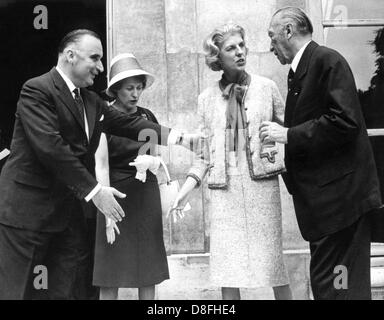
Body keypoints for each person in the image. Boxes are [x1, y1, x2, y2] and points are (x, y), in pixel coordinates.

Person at [0, 29, 192, 300]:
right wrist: (95, 191)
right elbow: (51, 148)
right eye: (95, 58)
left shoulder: (90, 100)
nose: (101, 68)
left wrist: (180, 137)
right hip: (27, 213)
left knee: (66, 291)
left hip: (67, 215)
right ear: (70, 55)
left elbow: (129, 123)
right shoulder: (37, 89)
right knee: (16, 292)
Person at [261, 7, 382, 299]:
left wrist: (288, 134)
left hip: (341, 206)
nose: (270, 45)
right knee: (335, 287)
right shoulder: (305, 68)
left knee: (339, 287)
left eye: (272, 36)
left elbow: (346, 122)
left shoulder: (327, 60)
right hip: (326, 209)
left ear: (288, 31)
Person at [171, 23, 292, 300]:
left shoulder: (266, 88)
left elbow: (290, 133)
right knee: (228, 269)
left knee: (273, 265)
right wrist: (185, 189)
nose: (239, 52)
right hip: (225, 192)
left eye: (241, 45)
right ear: (218, 57)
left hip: (263, 187)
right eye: (230, 48)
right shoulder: (206, 100)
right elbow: (205, 154)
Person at [93, 53, 169, 300]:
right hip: (113, 193)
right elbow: (101, 164)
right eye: (129, 88)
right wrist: (106, 211)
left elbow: (155, 158)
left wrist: (156, 163)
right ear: (116, 90)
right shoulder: (103, 117)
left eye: (139, 87)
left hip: (145, 194)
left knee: (148, 266)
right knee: (110, 267)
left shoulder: (147, 117)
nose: (135, 94)